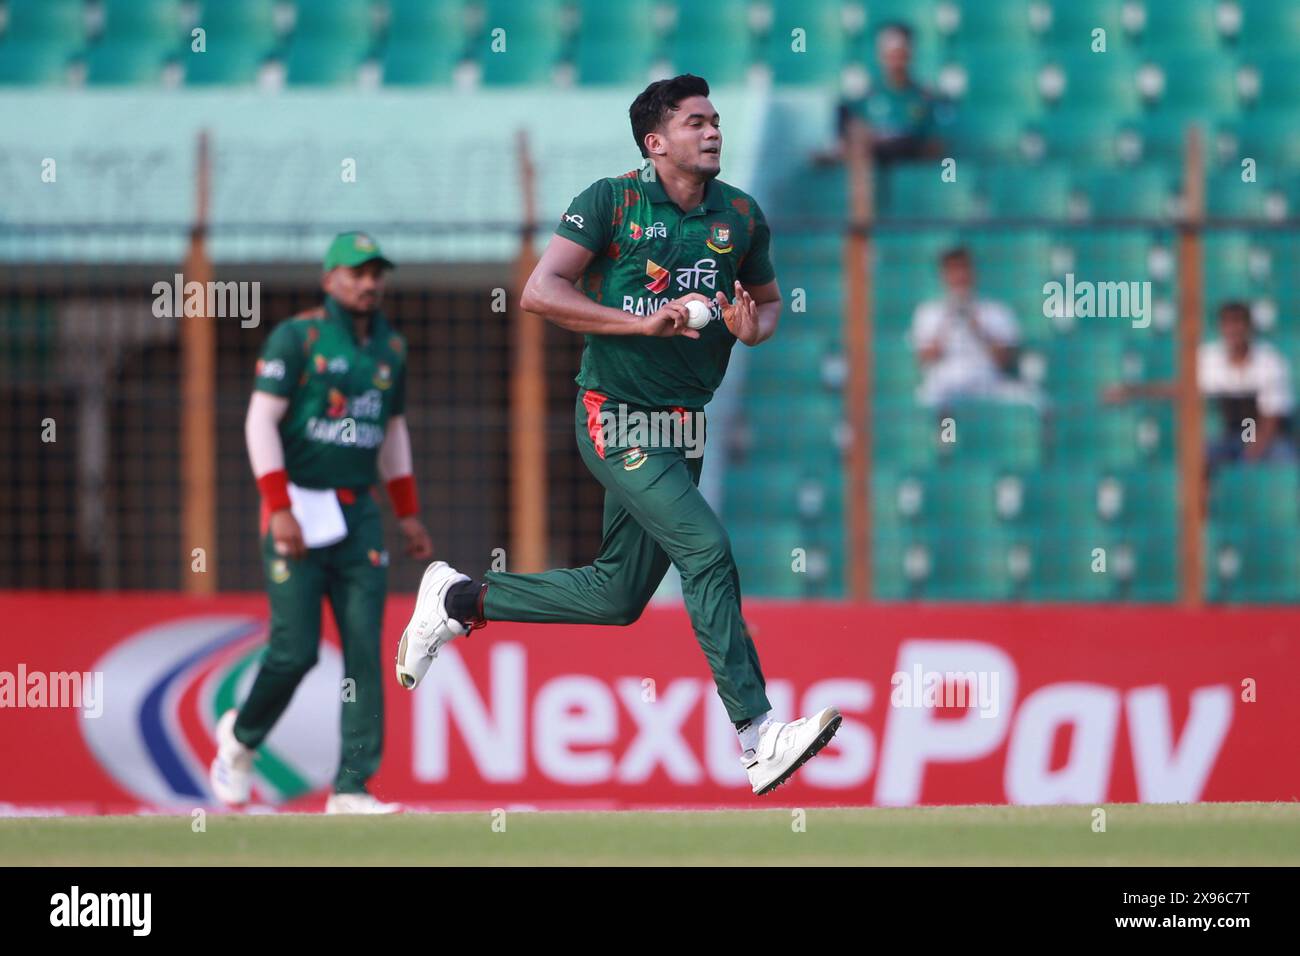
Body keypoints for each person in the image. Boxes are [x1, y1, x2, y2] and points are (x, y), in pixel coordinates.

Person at [395, 74, 841, 797]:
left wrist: (749, 330)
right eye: (696, 121)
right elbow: (542, 292)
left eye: (717, 119)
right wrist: (640, 323)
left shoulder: (742, 216)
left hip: (682, 424)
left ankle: (459, 601)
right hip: (617, 415)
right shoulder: (612, 202)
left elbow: (766, 304)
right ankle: (758, 737)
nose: (713, 131)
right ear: (655, 142)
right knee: (706, 549)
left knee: (617, 597)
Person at [209, 232, 433, 814]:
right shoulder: (298, 337)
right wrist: (278, 507)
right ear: (329, 279)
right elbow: (260, 423)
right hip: (298, 508)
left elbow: (393, 434)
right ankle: (240, 738)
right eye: (356, 273)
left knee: (365, 648)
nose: (368, 283)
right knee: (296, 651)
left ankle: (352, 787)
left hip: (359, 514)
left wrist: (406, 513)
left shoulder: (391, 348)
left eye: (376, 273)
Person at [1104, 301, 1295, 468]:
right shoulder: (1210, 358)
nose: (1234, 330)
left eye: (1239, 323)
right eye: (1228, 323)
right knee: (1198, 459)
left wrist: (1249, 455)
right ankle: (1201, 508)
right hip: (1231, 435)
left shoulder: (1269, 361)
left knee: (1286, 459)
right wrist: (1132, 391)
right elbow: (1180, 389)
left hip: (1266, 435)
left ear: (1249, 327)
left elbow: (1270, 419)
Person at [911, 246, 1037, 409]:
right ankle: (947, 435)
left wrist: (978, 328)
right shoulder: (928, 312)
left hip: (987, 382)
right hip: (945, 384)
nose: (959, 276)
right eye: (952, 270)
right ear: (943, 275)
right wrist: (948, 320)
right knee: (929, 399)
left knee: (1034, 400)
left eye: (963, 269)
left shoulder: (996, 310)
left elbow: (1004, 361)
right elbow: (926, 358)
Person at [816, 22, 942, 165]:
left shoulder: (926, 98)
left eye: (900, 51)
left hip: (909, 160)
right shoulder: (863, 98)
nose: (895, 57)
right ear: (879, 53)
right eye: (889, 51)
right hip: (869, 159)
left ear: (910, 52)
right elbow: (846, 131)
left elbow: (934, 147)